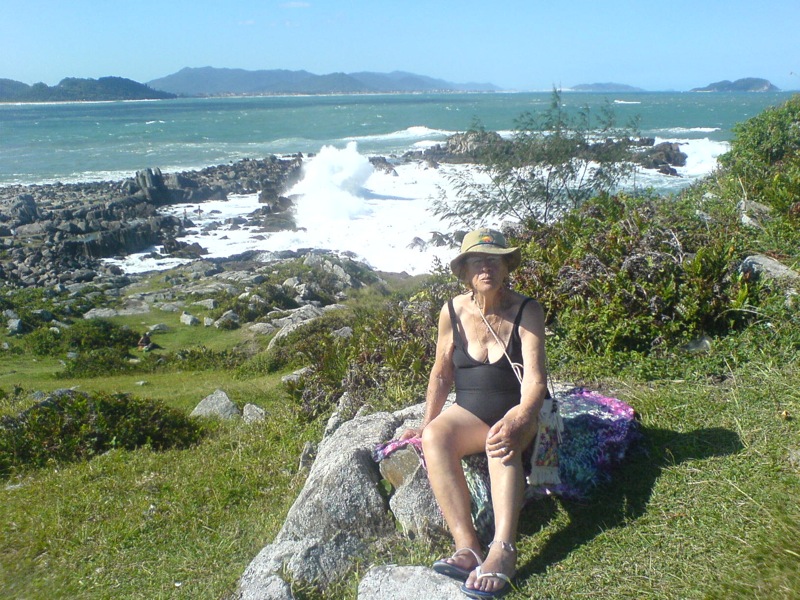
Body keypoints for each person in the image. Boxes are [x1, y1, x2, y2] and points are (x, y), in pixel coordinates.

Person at [399, 228, 549, 599]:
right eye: (477, 261)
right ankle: (467, 547)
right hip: (469, 413)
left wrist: (521, 418)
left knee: (501, 439)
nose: (486, 267)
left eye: (494, 259)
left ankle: (503, 549)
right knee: (435, 437)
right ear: (465, 271)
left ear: (506, 266)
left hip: (517, 412)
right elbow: (441, 372)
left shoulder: (527, 311)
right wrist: (425, 423)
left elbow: (535, 379)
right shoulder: (451, 311)